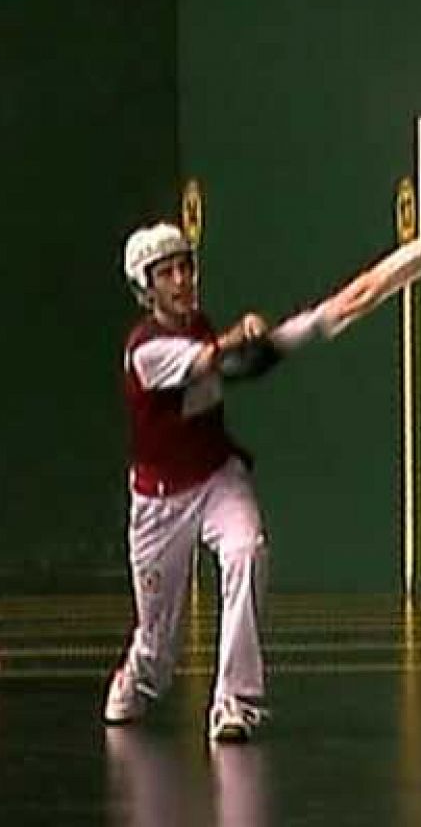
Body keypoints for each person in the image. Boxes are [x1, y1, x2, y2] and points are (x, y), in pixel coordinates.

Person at [103, 221, 287, 743]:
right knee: (159, 644)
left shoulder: (200, 324)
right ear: (146, 286)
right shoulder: (146, 348)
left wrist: (266, 347)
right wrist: (240, 336)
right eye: (168, 273)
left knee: (247, 552)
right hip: (159, 502)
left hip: (218, 479)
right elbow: (207, 359)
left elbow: (229, 367)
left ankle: (235, 701)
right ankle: (138, 675)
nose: (182, 280)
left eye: (186, 267)